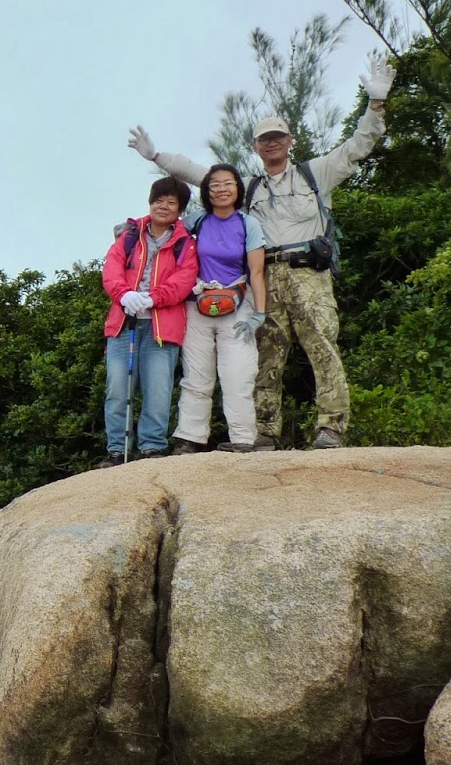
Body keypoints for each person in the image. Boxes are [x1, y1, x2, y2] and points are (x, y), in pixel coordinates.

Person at [126, 56, 393, 449]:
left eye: (278, 136)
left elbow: (358, 147)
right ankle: (265, 431)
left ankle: (331, 427)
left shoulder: (315, 174)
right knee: (266, 353)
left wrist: (375, 105)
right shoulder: (247, 186)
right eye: (264, 139)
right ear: (255, 146)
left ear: (290, 140)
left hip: (308, 272)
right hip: (263, 276)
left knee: (322, 345)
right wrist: (156, 156)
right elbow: (198, 173)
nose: (272, 142)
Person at [99, 176, 200, 467]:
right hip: (123, 324)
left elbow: (184, 280)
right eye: (159, 200)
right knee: (118, 389)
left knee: (158, 390)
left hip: (162, 327)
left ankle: (152, 447)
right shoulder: (129, 236)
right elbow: (111, 271)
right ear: (150, 202)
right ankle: (117, 450)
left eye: (171, 202)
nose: (163, 206)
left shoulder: (186, 243)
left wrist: (153, 298)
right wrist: (124, 295)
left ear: (180, 209)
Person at [171, 163, 267, 454]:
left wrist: (259, 314)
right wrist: (133, 228)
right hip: (198, 304)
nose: (222, 189)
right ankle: (189, 438)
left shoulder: (248, 224)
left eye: (228, 183)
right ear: (206, 191)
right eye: (215, 185)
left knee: (238, 373)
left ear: (238, 188)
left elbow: (257, 272)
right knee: (196, 375)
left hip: (237, 305)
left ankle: (243, 438)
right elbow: (165, 228)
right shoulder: (197, 221)